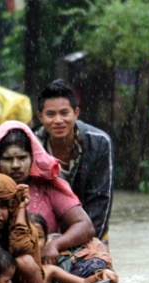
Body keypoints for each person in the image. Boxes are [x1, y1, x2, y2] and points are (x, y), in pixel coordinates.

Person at [0, 121, 105, 278]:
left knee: (93, 264)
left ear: (32, 158)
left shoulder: (47, 186)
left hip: (43, 264)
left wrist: (54, 245)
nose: (16, 165)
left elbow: (85, 226)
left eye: (22, 157)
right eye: (8, 159)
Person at [35, 79, 114, 244]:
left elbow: (100, 201)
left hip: (88, 231)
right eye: (51, 114)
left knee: (97, 265)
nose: (58, 120)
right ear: (40, 117)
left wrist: (82, 243)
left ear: (76, 113)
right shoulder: (31, 145)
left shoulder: (99, 143)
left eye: (64, 113)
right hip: (43, 233)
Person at [29, 213, 118, 283]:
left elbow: (84, 282)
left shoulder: (50, 270)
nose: (33, 241)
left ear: (45, 242)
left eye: (39, 237)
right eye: (27, 235)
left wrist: (101, 274)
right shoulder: (16, 264)